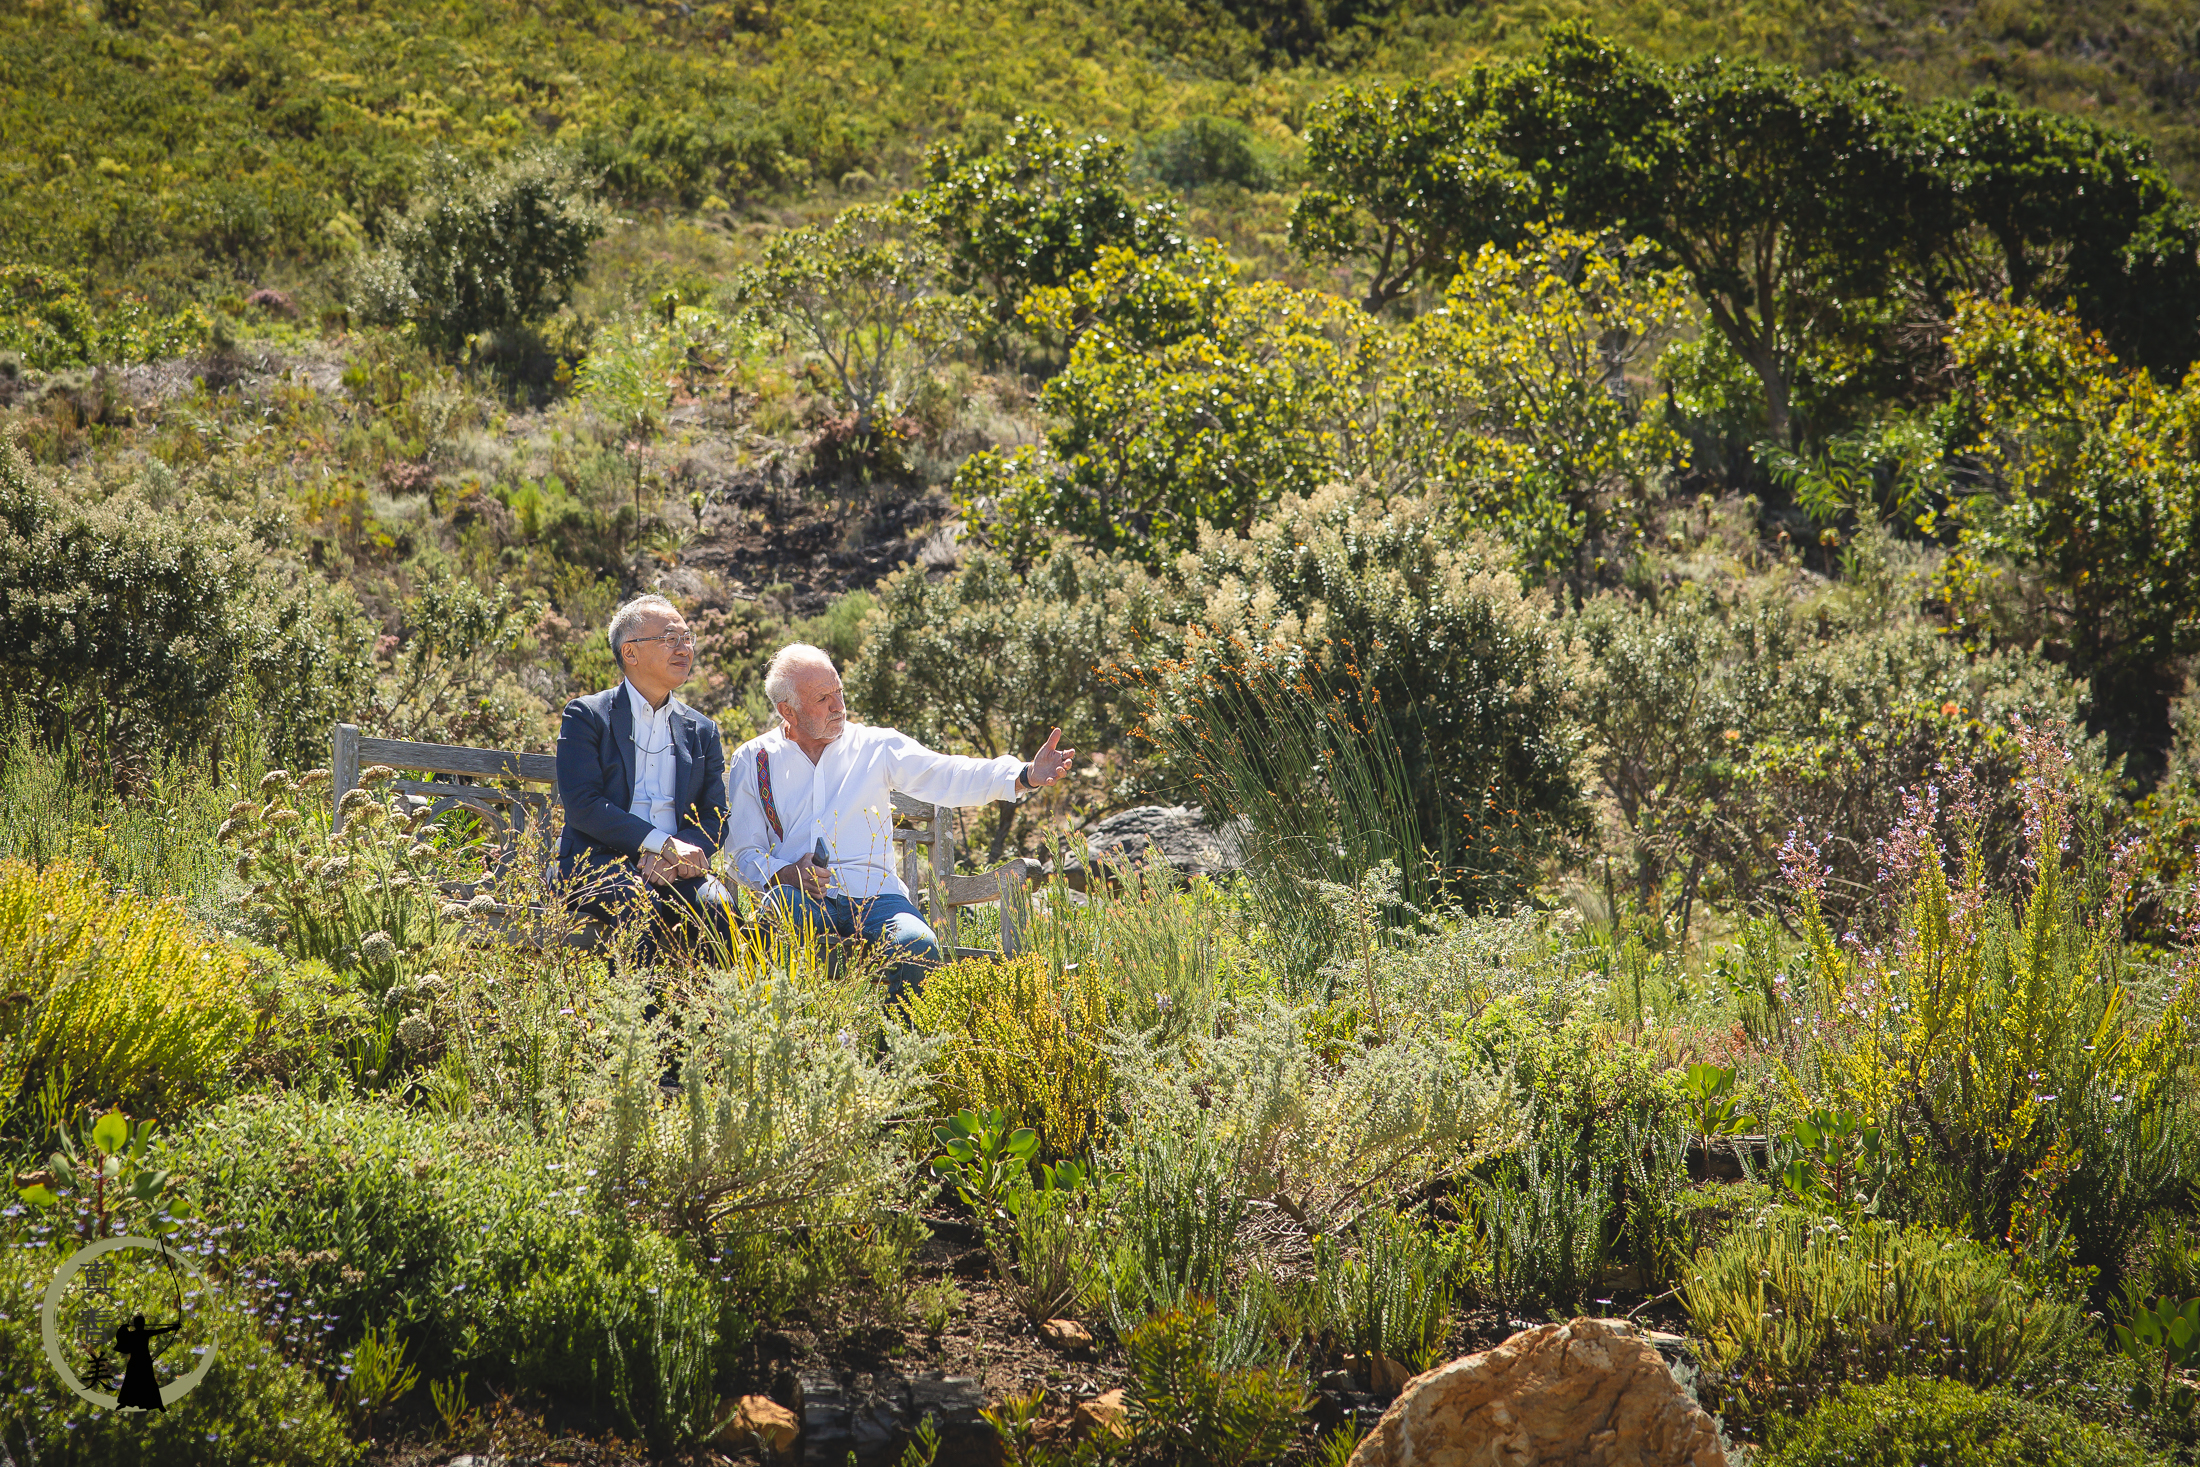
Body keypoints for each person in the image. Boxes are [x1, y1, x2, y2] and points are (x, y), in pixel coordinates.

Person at [727, 642, 1073, 1000]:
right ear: (789, 711)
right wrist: (784, 873)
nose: (838, 706)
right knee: (781, 917)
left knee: (917, 945)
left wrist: (1024, 774)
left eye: (839, 691)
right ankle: (800, 1046)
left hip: (879, 898)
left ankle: (895, 1055)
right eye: (822, 699)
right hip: (801, 897)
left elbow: (947, 773)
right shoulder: (755, 759)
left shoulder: (876, 746)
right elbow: (741, 852)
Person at [555, 594, 736, 961]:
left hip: (677, 869)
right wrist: (660, 845)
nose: (684, 648)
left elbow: (715, 814)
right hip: (596, 864)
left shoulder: (701, 729)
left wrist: (675, 853)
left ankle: (710, 1018)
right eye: (670, 638)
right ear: (630, 653)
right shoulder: (587, 716)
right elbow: (583, 806)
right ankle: (636, 1018)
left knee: (721, 907)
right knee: (638, 903)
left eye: (688, 638)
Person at [114, 1311, 181, 1411]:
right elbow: (160, 1331)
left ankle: (157, 1404)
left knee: (142, 1382)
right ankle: (126, 1403)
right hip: (142, 1360)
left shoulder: (135, 1334)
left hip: (140, 1360)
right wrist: (173, 1328)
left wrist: (123, 1327)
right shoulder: (141, 1333)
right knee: (133, 1381)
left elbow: (160, 1331)